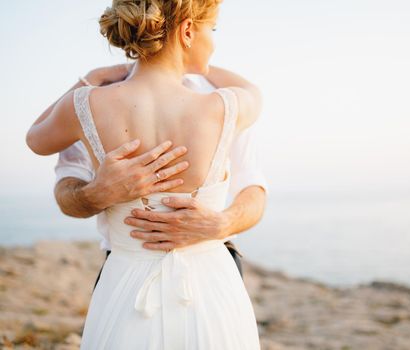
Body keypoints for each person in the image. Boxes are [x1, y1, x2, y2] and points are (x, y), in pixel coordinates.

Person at [26, 0, 263, 348]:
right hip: (211, 283)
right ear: (186, 31)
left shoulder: (86, 103)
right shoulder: (224, 106)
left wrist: (90, 78)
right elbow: (256, 92)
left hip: (124, 282)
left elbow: (36, 139)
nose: (213, 41)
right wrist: (198, 64)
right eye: (211, 30)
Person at [53, 65, 268, 291]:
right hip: (124, 274)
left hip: (213, 270)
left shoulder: (222, 97)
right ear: (186, 29)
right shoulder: (92, 101)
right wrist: (96, 193)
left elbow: (252, 186)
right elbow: (66, 190)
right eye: (211, 29)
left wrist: (223, 224)